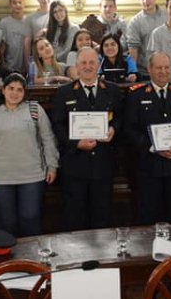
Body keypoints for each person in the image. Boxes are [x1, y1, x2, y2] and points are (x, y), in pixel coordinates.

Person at [0, 73, 59, 237]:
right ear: (3, 90)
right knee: (7, 222)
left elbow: (48, 139)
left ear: (24, 92)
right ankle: (11, 261)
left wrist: (52, 166)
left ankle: (31, 260)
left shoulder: (35, 110)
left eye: (19, 90)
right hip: (1, 178)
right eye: (11, 88)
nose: (15, 93)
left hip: (32, 176)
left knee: (30, 219)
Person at [50, 48, 123, 230]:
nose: (88, 67)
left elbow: (122, 118)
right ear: (76, 66)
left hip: (103, 165)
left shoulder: (112, 91)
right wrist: (76, 143)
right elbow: (57, 126)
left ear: (98, 65)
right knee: (75, 218)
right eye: (83, 63)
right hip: (75, 167)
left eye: (92, 63)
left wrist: (114, 128)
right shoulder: (64, 93)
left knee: (102, 217)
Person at [125, 52, 171, 224]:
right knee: (149, 217)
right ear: (149, 69)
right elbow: (130, 129)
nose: (163, 71)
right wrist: (153, 147)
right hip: (149, 168)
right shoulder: (136, 94)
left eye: (166, 67)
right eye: (159, 67)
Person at [125, 0, 167, 74]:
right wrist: (133, 72)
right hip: (145, 70)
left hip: (167, 68)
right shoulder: (135, 22)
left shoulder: (167, 16)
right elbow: (133, 49)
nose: (146, 1)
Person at [0, 0, 31, 74]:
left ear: (24, 4)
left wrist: (28, 66)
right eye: (14, 3)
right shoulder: (4, 22)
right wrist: (3, 66)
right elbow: (2, 45)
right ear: (10, 5)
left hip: (27, 66)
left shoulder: (30, 21)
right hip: (9, 66)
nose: (17, 5)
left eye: (20, 2)